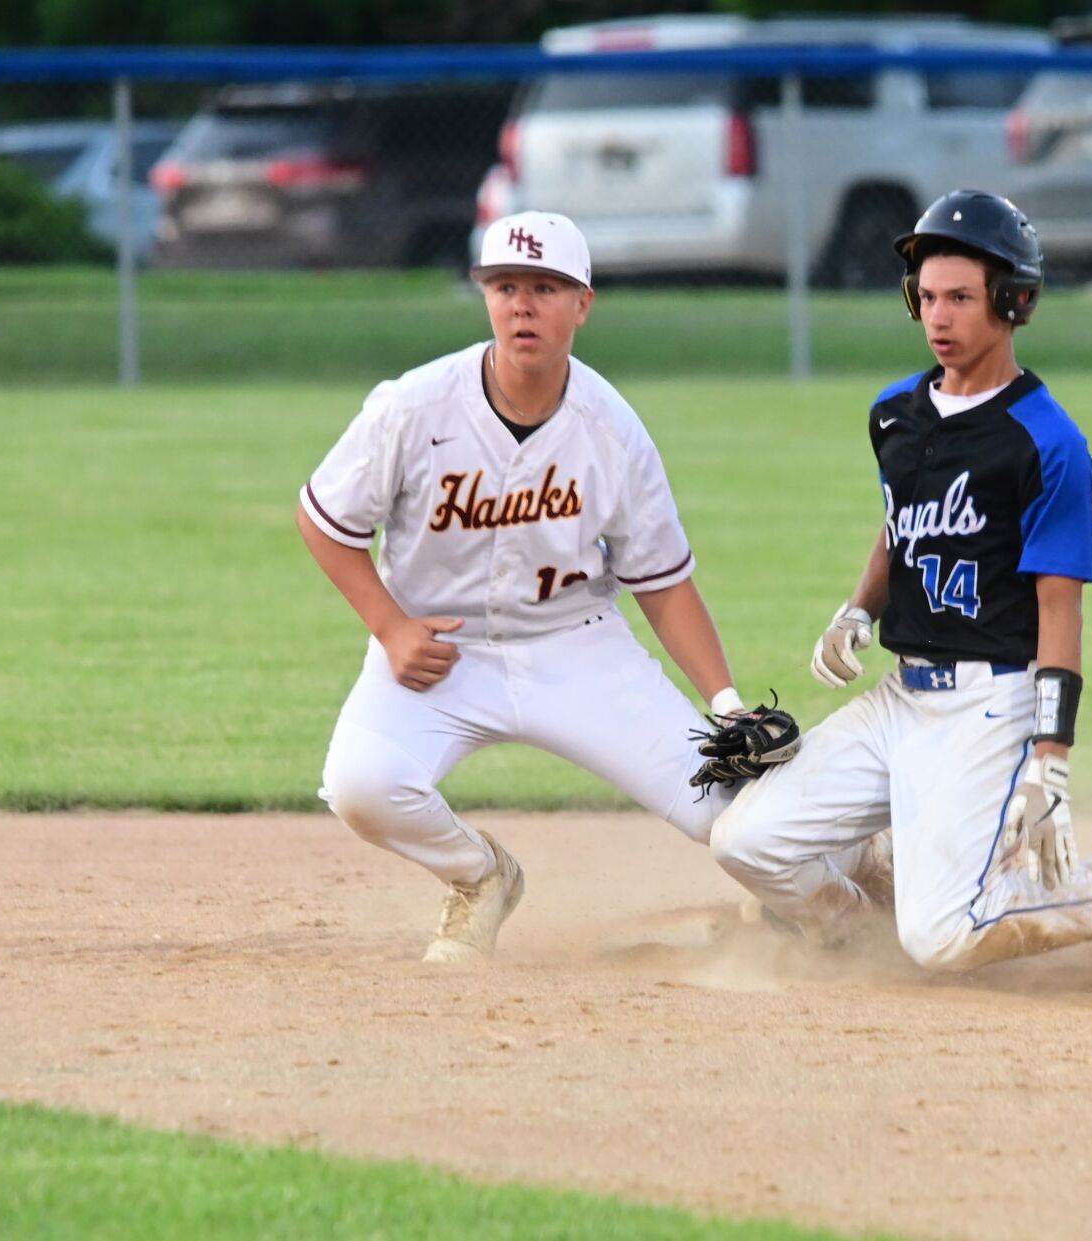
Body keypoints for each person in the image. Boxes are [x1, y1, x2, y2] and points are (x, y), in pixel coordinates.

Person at [296, 211, 879, 964]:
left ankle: (854, 896)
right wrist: (390, 626)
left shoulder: (611, 429)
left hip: (577, 650)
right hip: (441, 650)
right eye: (505, 286)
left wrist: (726, 704)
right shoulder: (413, 406)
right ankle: (480, 878)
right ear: (485, 298)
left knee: (728, 815)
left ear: (582, 304)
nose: (522, 305)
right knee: (361, 785)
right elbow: (325, 520)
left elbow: (663, 584)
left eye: (545, 287)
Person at [710, 190, 1092, 977]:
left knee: (940, 937)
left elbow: (1058, 608)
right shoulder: (893, 414)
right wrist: (857, 610)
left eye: (961, 299)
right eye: (926, 297)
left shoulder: (1047, 442)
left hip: (988, 706)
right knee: (743, 841)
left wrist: (1051, 755)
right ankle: (854, 928)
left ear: (1013, 302)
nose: (938, 317)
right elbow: (901, 523)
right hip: (899, 699)